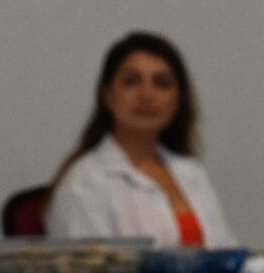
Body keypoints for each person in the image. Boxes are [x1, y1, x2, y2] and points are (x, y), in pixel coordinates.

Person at [46, 31, 235, 248]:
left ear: (179, 99)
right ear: (107, 96)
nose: (147, 94)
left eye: (162, 83)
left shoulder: (192, 172)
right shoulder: (85, 184)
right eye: (132, 82)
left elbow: (227, 253)